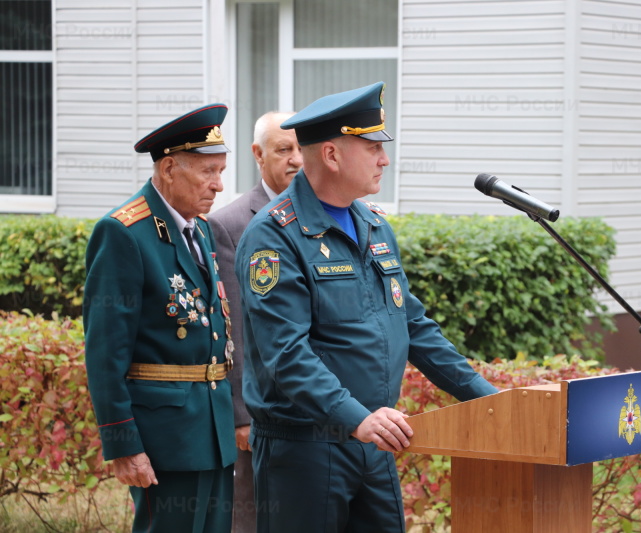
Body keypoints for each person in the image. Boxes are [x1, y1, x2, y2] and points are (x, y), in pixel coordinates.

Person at [235, 81, 498, 532]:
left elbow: (412, 324)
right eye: (373, 145)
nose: (385, 158)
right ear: (333, 156)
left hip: (373, 443)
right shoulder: (274, 236)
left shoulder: (373, 225)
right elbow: (287, 354)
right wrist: (358, 418)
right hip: (306, 449)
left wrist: (488, 398)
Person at [84, 104, 237, 533]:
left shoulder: (200, 229)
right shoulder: (123, 233)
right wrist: (123, 444)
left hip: (212, 428)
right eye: (208, 172)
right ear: (169, 168)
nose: (219, 186)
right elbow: (104, 352)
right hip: (164, 437)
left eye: (221, 171)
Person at [207, 111, 302, 532]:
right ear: (258, 155)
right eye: (284, 149)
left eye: (303, 148)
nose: (297, 159)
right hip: (264, 409)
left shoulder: (328, 216)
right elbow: (235, 328)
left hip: (321, 410)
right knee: (253, 515)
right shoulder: (229, 224)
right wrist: (241, 415)